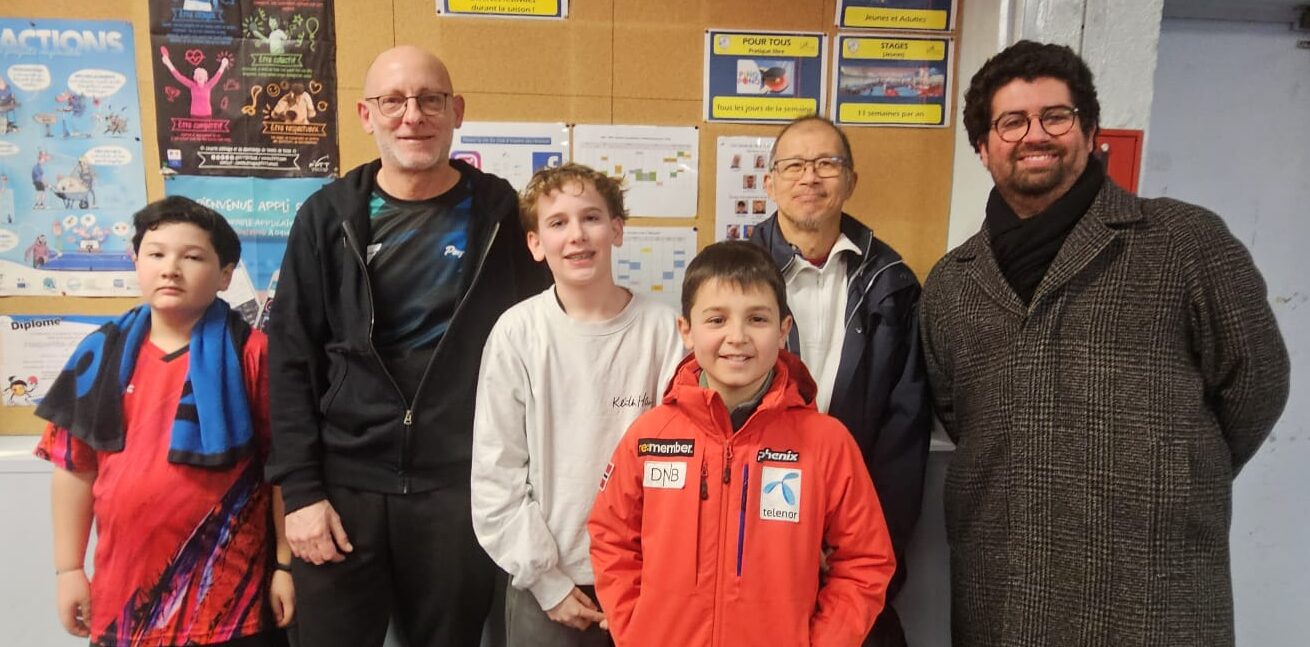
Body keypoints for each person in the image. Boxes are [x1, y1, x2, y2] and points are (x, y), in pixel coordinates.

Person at [919, 41, 1290, 646]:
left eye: (1055, 116)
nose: (1034, 135)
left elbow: (1255, 384)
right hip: (1004, 585)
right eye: (1011, 122)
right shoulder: (952, 282)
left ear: (1090, 132)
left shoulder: (1183, 242)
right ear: (983, 147)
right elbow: (957, 412)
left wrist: (1170, 473)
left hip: (1152, 586)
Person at [266, 45, 549, 647]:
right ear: (366, 115)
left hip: (460, 490)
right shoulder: (326, 216)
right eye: (393, 101)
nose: (412, 116)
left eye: (430, 100)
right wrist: (303, 494)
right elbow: (290, 362)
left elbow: (545, 339)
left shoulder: (502, 214)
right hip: (343, 491)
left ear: (456, 111)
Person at [588, 241, 896, 647]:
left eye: (757, 319)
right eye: (717, 320)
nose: (737, 337)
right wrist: (636, 630)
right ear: (686, 330)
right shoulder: (650, 437)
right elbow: (611, 537)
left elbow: (865, 560)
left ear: (784, 330)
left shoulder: (826, 444)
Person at [34, 196, 294, 647]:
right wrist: (69, 569)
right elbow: (74, 467)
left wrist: (285, 566)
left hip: (231, 603)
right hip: (124, 602)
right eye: (156, 254)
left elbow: (285, 469)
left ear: (225, 274)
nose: (171, 269)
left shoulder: (253, 355)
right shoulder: (97, 355)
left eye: (192, 257)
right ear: (136, 261)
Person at [471, 163, 684, 646]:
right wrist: (547, 582)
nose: (577, 236)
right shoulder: (517, 333)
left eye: (591, 218)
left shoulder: (665, 332)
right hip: (547, 583)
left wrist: (657, 573)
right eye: (558, 222)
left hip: (647, 580)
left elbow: (686, 465)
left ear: (617, 230)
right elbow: (495, 474)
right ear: (535, 244)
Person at [748, 115, 930, 647]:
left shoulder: (892, 283)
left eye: (827, 163)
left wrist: (866, 545)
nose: (810, 177)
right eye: (794, 165)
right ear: (770, 182)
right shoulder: (731, 276)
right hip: (756, 539)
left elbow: (903, 434)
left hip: (856, 532)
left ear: (850, 180)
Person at [160, 46, 229, 119]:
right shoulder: (192, 85)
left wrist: (223, 65)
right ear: (195, 77)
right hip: (194, 114)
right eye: (198, 75)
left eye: (202, 75)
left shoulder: (209, 85)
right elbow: (178, 76)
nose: (200, 76)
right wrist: (168, 62)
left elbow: (217, 75)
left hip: (207, 115)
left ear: (206, 78)